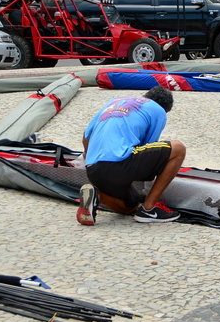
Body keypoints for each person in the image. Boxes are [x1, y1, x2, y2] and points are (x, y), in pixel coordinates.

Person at [77, 86, 185, 225]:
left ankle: (97, 196)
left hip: (93, 170)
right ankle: (149, 209)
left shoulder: (114, 102)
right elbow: (149, 145)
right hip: (118, 165)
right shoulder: (158, 110)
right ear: (165, 108)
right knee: (178, 149)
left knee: (131, 206)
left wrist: (89, 159)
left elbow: (86, 137)